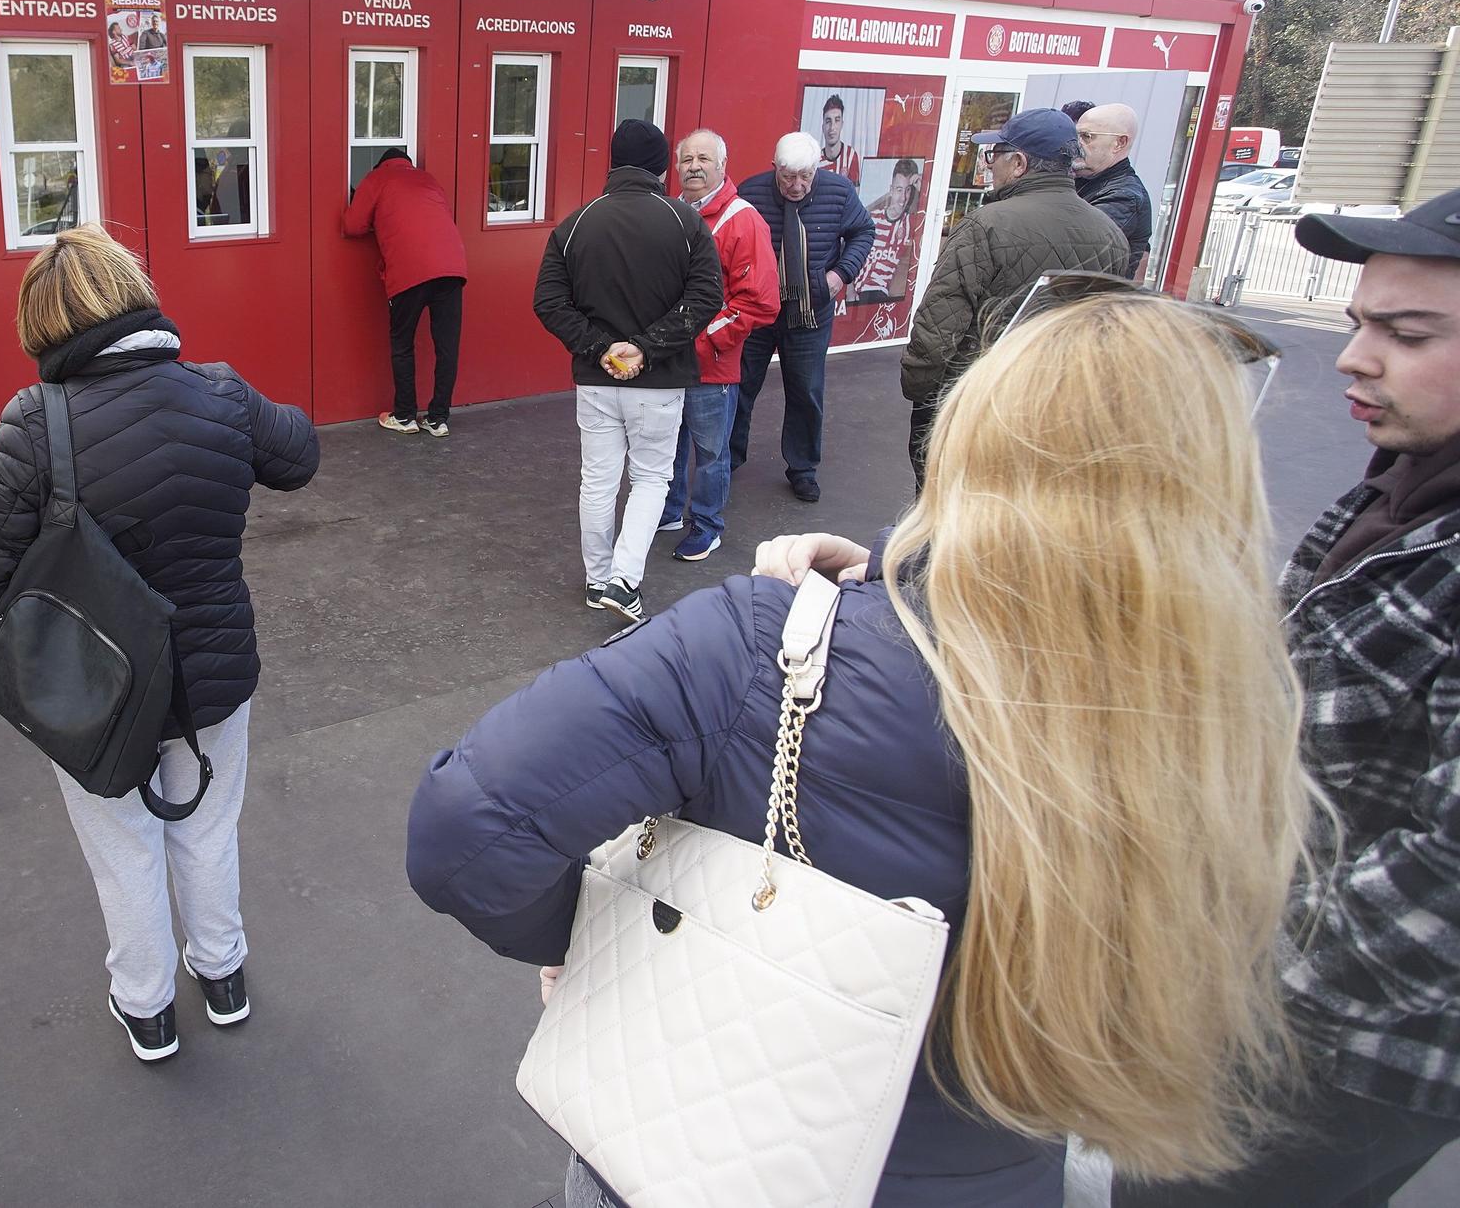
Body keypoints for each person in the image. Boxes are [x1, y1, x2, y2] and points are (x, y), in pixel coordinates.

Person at [407, 292, 1322, 1207]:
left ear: (971, 442)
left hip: (712, 1150)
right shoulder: (1237, 717)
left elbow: (467, 825)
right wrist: (897, 570)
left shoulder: (751, 643)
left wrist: (587, 938)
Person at [1117, 188, 1460, 1207]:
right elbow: (1277, 652)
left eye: (1404, 334)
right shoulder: (1402, 480)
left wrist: (1219, 969)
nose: (1353, 357)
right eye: (1358, 322)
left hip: (1332, 1052)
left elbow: (1441, 893)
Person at [0, 226, 318, 1064]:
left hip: (93, 688)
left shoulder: (32, 423)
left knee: (123, 849)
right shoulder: (221, 393)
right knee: (208, 828)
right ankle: (223, 976)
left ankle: (148, 1008)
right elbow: (297, 454)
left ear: (42, 323)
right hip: (212, 672)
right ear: (133, 294)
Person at [532, 118, 722, 623]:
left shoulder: (573, 226)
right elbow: (706, 297)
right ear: (664, 166)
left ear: (612, 162)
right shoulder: (686, 223)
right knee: (651, 479)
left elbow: (549, 303)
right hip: (658, 382)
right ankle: (623, 580)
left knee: (597, 482)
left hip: (596, 381)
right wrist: (644, 348)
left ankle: (598, 580)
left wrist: (602, 349)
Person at [899, 108, 1127, 490]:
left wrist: (921, 396)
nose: (989, 165)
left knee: (946, 512)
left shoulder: (984, 226)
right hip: (1056, 411)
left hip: (977, 403)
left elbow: (938, 329)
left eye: (994, 155)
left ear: (1019, 162)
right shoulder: (1111, 235)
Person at [730, 131, 875, 502]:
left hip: (810, 311)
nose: (797, 186)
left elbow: (863, 231)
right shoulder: (751, 192)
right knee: (740, 386)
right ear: (774, 168)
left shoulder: (839, 192)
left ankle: (802, 468)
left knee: (806, 391)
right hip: (760, 310)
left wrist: (839, 275)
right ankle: (727, 460)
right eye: (788, 177)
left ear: (816, 169)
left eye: (805, 176)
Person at [656, 128, 778, 562]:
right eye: (687, 159)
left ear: (722, 166)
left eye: (703, 159)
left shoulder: (743, 220)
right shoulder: (670, 213)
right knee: (670, 444)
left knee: (710, 452)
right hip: (670, 361)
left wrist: (705, 343)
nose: (694, 167)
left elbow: (761, 302)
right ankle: (670, 511)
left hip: (712, 364)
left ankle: (707, 526)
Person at [341, 147, 469, 437]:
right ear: (409, 164)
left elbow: (351, 225)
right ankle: (438, 419)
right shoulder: (428, 180)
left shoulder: (377, 178)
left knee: (402, 344)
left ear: (382, 164)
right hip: (452, 267)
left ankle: (405, 416)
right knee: (446, 347)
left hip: (409, 270)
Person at [1075, 103, 1154, 279]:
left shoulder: (1124, 196)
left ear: (1119, 143)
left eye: (1086, 137)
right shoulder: (1082, 179)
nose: (1076, 144)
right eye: (1075, 135)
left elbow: (1075, 249)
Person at [856, 157, 921, 302]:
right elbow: (850, 250)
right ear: (891, 190)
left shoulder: (909, 223)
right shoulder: (872, 218)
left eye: (908, 190)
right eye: (899, 190)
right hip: (857, 291)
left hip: (880, 294)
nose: (903, 198)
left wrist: (920, 184)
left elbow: (926, 214)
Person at [818, 93, 862, 184]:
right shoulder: (816, 159)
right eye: (828, 121)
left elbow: (855, 195)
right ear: (823, 127)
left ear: (842, 124)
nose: (832, 127)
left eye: (837, 120)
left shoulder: (850, 155)